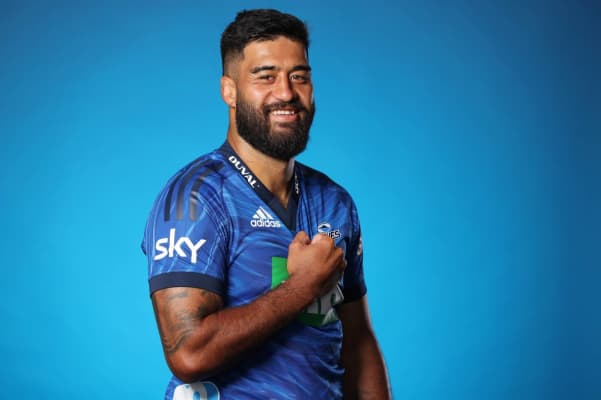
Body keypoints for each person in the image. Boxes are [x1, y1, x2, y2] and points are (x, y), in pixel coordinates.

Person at [142, 8, 391, 399]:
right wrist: (302, 286)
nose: (287, 92)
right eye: (266, 76)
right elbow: (188, 354)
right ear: (229, 91)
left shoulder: (334, 202)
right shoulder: (196, 198)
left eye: (299, 76)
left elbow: (358, 343)